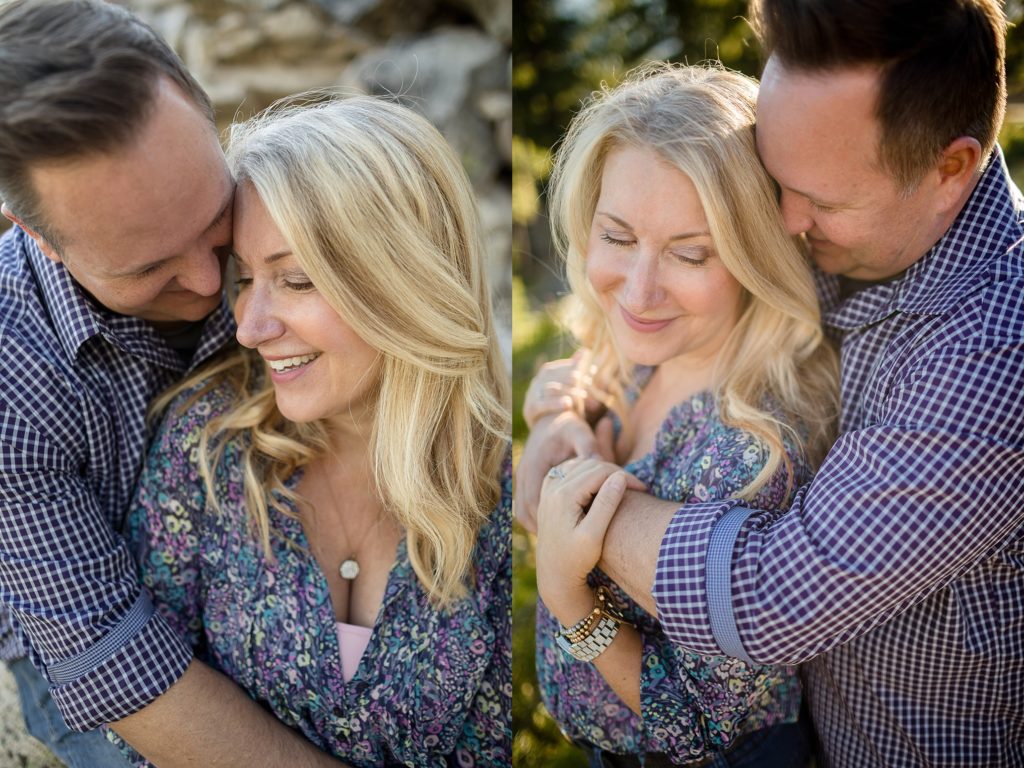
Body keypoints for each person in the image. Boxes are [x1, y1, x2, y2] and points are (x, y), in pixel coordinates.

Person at [521, 0, 1024, 764]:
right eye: (773, 176)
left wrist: (573, 510)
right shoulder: (848, 233)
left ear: (949, 169)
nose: (782, 221)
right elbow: (659, 330)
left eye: (819, 200)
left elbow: (767, 602)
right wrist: (560, 405)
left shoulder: (993, 354)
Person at [112, 95, 512, 767]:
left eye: (295, 280)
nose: (248, 326)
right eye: (244, 279)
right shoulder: (207, 443)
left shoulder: (505, 485)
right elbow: (141, 722)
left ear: (403, 283)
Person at [0, 1, 349, 765]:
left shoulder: (282, 197)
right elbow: (115, 662)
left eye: (213, 218)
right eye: (147, 267)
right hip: (104, 644)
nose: (205, 281)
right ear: (37, 238)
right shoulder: (9, 385)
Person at [529, 62, 838, 767]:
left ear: (755, 256)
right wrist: (557, 410)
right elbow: (576, 381)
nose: (638, 290)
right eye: (616, 236)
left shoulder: (747, 449)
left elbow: (700, 726)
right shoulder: (640, 357)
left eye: (689, 254)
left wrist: (566, 596)